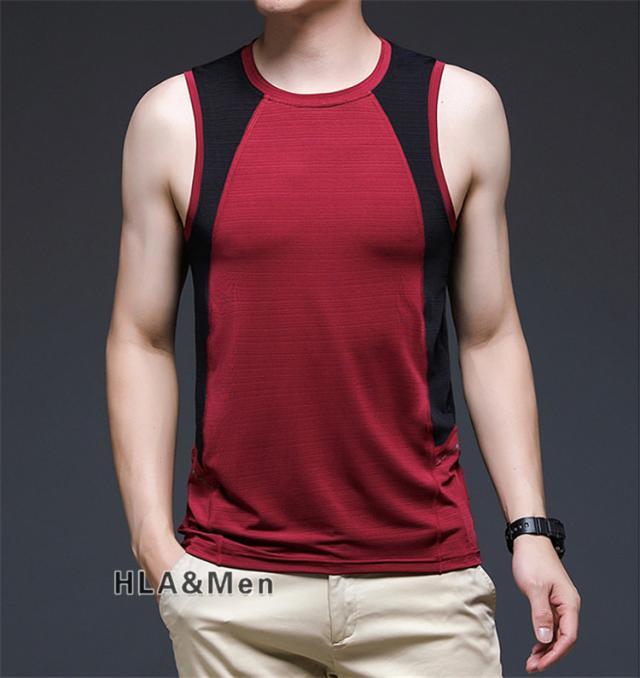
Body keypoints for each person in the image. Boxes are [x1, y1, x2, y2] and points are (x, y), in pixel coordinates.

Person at [105, 0, 581, 676]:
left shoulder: (456, 109)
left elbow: (490, 335)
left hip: (423, 589)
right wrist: (154, 549)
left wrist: (531, 530)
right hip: (234, 594)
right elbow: (139, 338)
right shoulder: (175, 117)